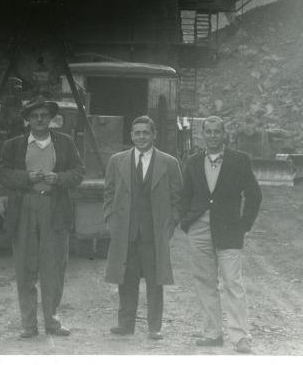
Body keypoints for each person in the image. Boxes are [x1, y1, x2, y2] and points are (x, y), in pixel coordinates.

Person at [0, 95, 85, 338]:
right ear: (27, 120)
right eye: (34, 116)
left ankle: (52, 322)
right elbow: (1, 173)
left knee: (53, 267)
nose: (39, 120)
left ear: (51, 118)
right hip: (24, 206)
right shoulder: (13, 145)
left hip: (54, 206)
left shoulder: (65, 143)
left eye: (44, 115)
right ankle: (28, 324)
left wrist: (60, 179)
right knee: (25, 268)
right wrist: (26, 178)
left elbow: (79, 171)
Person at [180, 116, 262, 354]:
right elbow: (185, 194)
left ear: (224, 134)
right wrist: (187, 222)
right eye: (209, 131)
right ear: (202, 134)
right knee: (205, 282)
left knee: (233, 282)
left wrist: (243, 225)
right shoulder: (193, 161)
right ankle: (212, 333)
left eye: (217, 131)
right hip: (199, 230)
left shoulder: (239, 160)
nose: (213, 136)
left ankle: (240, 337)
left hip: (229, 231)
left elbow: (254, 195)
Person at [103, 115, 183, 341]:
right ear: (131, 136)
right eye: (137, 133)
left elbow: (178, 197)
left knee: (155, 281)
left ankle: (154, 327)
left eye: (145, 132)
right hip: (125, 232)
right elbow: (108, 192)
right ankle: (125, 325)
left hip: (153, 233)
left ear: (154, 135)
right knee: (126, 280)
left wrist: (172, 222)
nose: (141, 137)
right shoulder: (117, 161)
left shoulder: (169, 162)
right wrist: (110, 217)